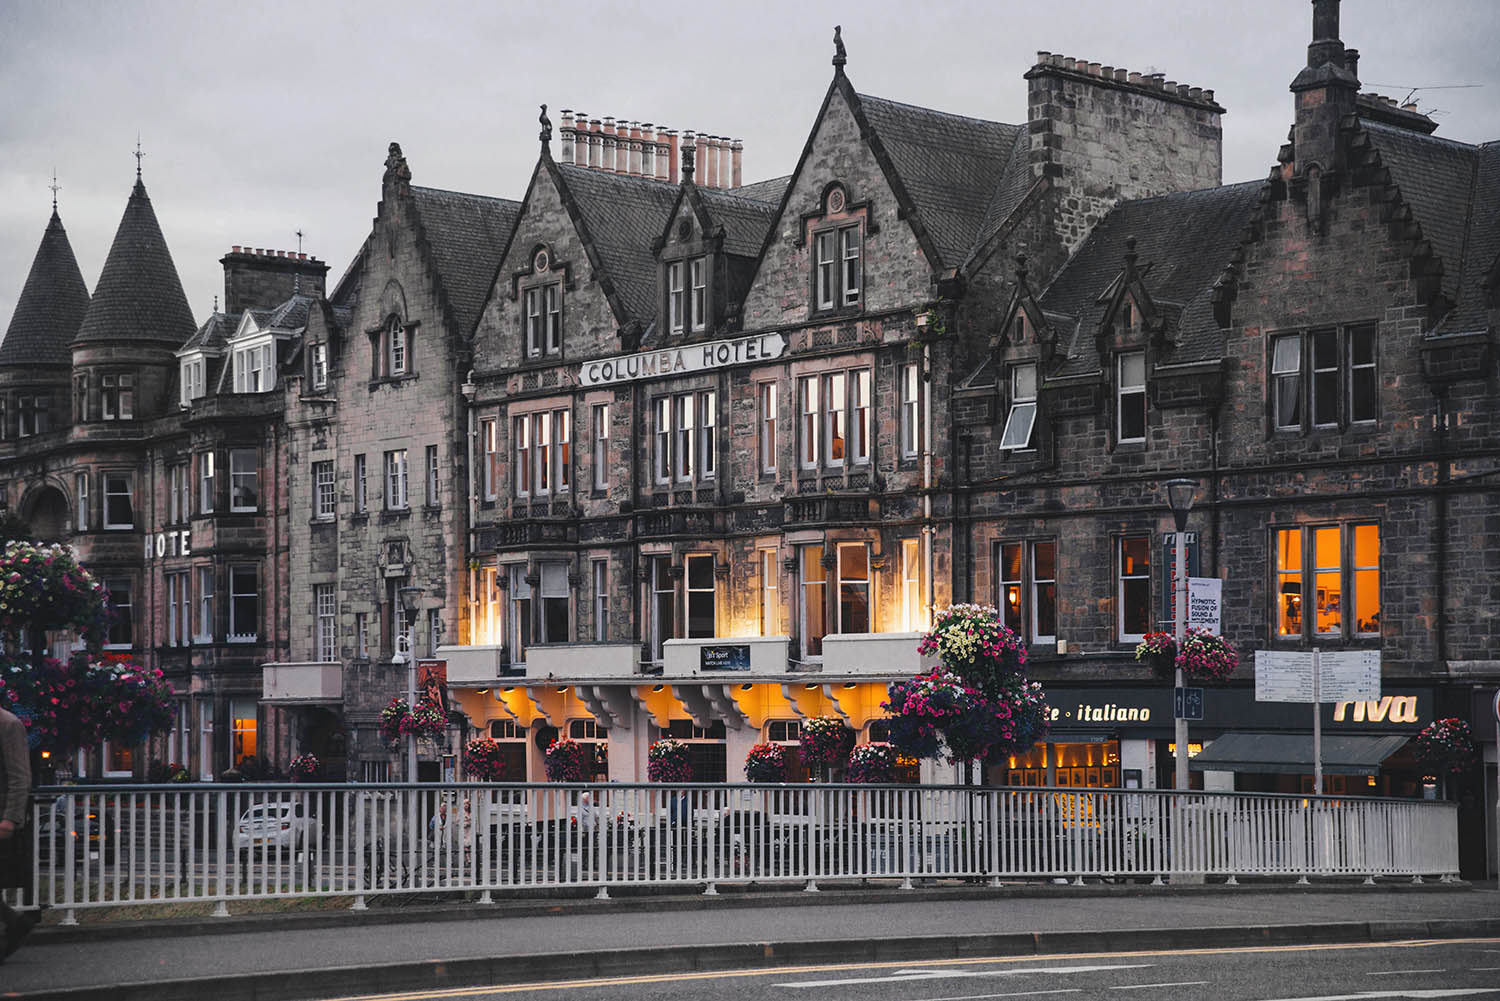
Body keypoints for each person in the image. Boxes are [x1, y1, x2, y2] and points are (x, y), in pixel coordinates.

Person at [0, 706, 40, 961]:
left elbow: (20, 777)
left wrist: (10, 818)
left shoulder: (9, 725)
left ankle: (14, 923)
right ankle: (14, 923)